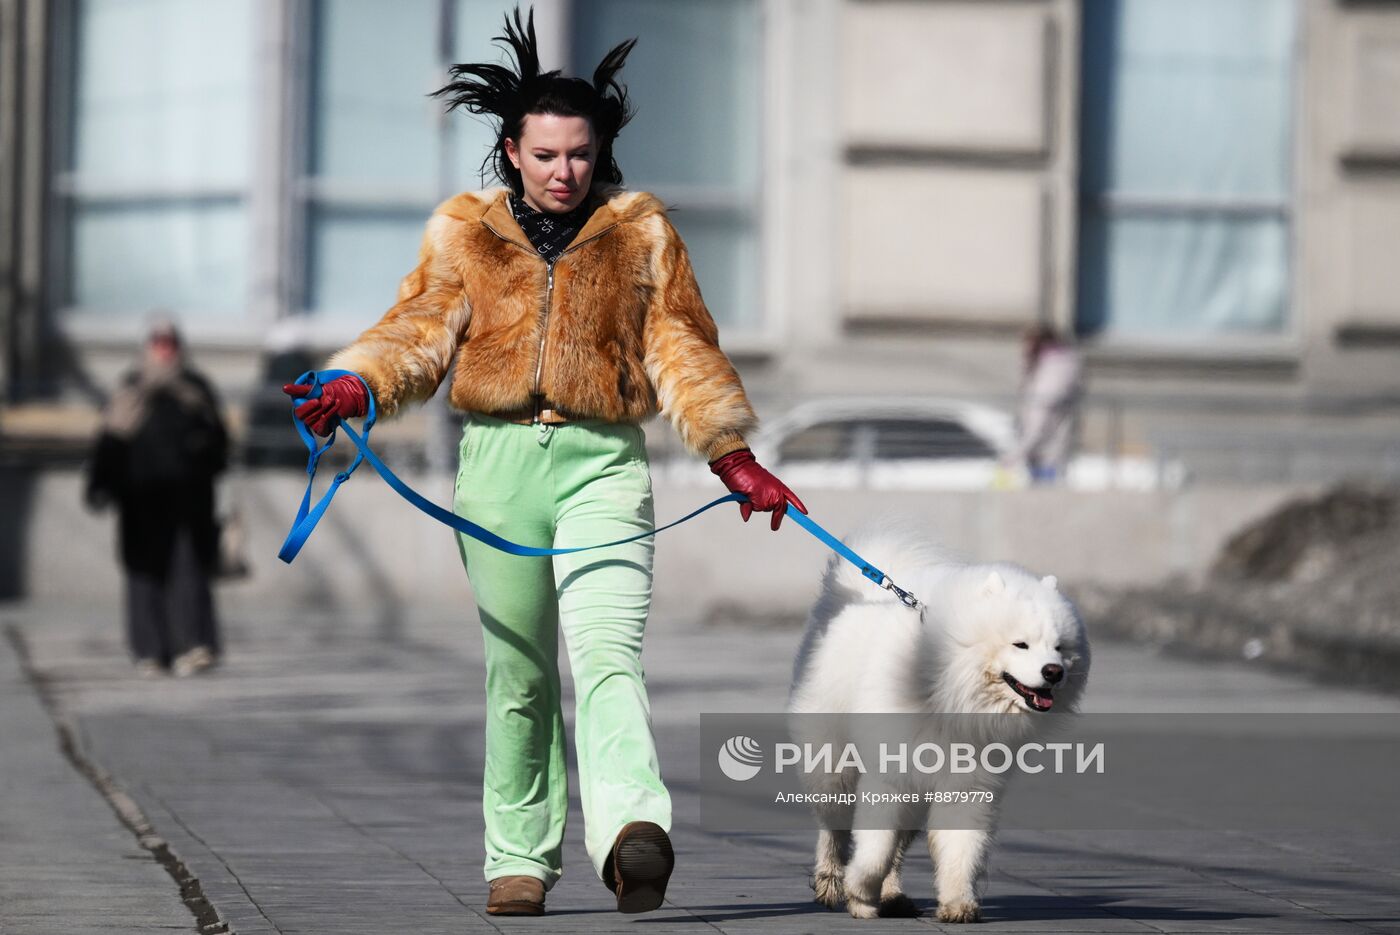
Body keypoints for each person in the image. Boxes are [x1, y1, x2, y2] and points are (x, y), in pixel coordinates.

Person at [282, 7, 804, 917]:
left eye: (581, 154)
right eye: (548, 154)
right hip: (497, 467)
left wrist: (732, 453)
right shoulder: (465, 233)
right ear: (513, 152)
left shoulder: (641, 232)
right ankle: (519, 854)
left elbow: (680, 344)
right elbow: (417, 331)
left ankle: (632, 833)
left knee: (608, 655)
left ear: (599, 152)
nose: (566, 171)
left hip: (604, 461)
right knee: (518, 674)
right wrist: (354, 385)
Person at [86, 319, 228, 678]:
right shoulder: (130, 389)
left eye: (170, 342)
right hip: (139, 498)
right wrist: (100, 485)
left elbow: (219, 442)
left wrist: (203, 451)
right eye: (158, 341)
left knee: (188, 571)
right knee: (143, 574)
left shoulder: (195, 390)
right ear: (148, 346)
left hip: (187, 499)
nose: (164, 349)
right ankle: (149, 650)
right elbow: (110, 441)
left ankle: (193, 646)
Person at [1006, 323, 1084, 484]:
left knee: (1044, 490)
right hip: (1047, 451)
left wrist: (1013, 458)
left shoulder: (1054, 371)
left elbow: (1039, 421)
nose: (1024, 349)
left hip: (1046, 453)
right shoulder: (1056, 366)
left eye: (1028, 344)